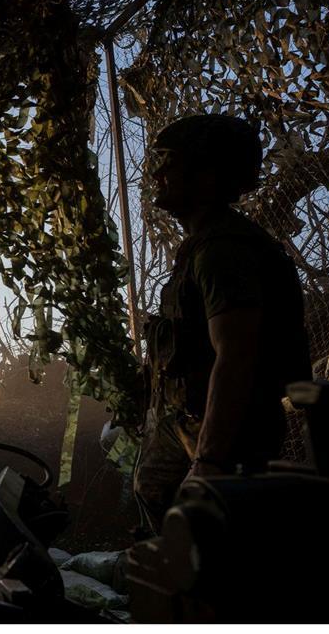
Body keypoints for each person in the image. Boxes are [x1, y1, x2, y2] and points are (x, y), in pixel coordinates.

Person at [132, 114, 311, 534]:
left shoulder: (224, 251)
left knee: (217, 544)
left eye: (169, 163)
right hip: (187, 421)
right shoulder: (200, 247)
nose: (158, 174)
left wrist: (209, 461)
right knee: (162, 510)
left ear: (205, 176)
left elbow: (237, 354)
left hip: (226, 436)